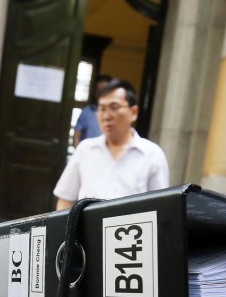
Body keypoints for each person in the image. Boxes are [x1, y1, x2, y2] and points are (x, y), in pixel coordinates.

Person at [54, 79, 169, 210]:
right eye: (101, 109)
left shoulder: (152, 154)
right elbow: (65, 199)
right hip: (89, 229)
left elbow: (161, 207)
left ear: (133, 112)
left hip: (132, 229)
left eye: (114, 107)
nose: (106, 116)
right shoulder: (85, 149)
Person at [72, 74, 112, 147]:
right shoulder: (87, 112)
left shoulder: (116, 114)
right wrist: (80, 155)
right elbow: (76, 136)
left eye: (103, 91)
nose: (100, 94)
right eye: (98, 90)